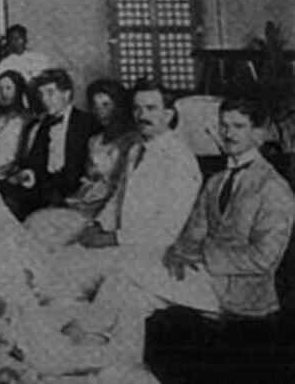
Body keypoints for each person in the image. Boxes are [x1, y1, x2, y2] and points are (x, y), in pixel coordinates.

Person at [62, 97, 295, 368]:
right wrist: (179, 255)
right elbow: (192, 233)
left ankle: (85, 330)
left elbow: (265, 259)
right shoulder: (217, 181)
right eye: (224, 126)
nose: (229, 134)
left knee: (124, 265)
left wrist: (203, 257)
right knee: (127, 291)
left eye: (238, 126)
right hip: (199, 276)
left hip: (241, 292)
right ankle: (124, 363)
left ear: (258, 133)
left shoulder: (274, 189)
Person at [45, 78, 202, 300]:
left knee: (63, 275)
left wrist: (112, 238)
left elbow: (169, 229)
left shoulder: (180, 159)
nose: (142, 115)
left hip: (150, 251)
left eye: (150, 108)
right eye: (137, 108)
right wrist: (99, 225)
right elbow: (117, 199)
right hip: (122, 241)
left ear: (168, 115)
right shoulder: (136, 149)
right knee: (58, 256)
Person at [25, 79, 139, 249]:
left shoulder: (132, 142)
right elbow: (86, 179)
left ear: (119, 106)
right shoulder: (95, 140)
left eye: (106, 105)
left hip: (105, 212)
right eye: (95, 106)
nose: (100, 111)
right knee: (34, 223)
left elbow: (123, 190)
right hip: (82, 203)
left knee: (44, 233)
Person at [1, 68, 99, 219]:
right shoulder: (44, 123)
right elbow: (36, 163)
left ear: (66, 94)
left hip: (74, 195)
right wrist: (28, 174)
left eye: (50, 92)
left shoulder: (87, 124)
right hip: (44, 192)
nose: (44, 99)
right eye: (41, 94)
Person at [0, 69, 30, 175]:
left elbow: (17, 162)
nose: (4, 93)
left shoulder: (25, 122)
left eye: (8, 88)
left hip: (4, 178)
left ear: (18, 90)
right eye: (0, 89)